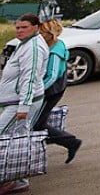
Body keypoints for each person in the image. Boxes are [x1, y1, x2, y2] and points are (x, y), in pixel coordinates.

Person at [0, 14, 48, 195]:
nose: (19, 31)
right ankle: (19, 180)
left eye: (24, 27)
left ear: (36, 27)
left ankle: (13, 179)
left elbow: (30, 78)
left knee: (4, 137)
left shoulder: (33, 48)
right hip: (16, 101)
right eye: (17, 27)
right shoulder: (26, 44)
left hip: (21, 103)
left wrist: (23, 107)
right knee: (17, 139)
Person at [33, 19, 82, 163]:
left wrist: (36, 92)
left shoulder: (55, 52)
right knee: (38, 122)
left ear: (51, 34)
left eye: (42, 32)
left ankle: (70, 141)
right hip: (52, 90)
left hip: (51, 91)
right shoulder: (54, 45)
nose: (39, 35)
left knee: (37, 123)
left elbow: (52, 76)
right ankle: (67, 141)